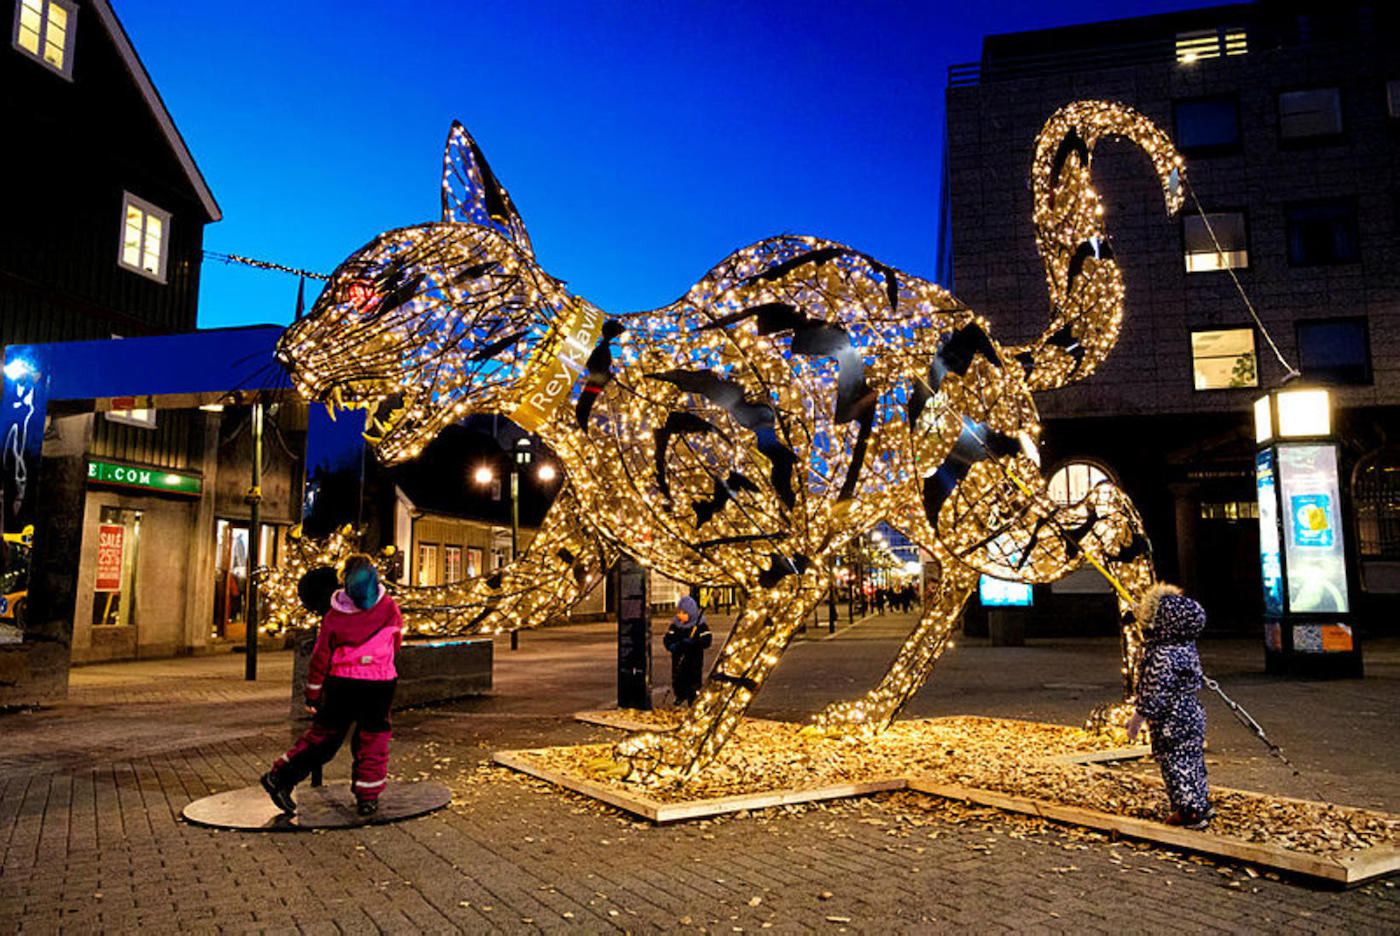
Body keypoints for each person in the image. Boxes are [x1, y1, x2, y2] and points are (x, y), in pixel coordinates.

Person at [262, 554, 403, 817]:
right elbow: (396, 643)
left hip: (343, 685)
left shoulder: (334, 615)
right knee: (373, 738)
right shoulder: (389, 608)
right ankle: (368, 797)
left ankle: (280, 777)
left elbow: (320, 658)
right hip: (380, 684)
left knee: (325, 737)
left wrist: (313, 693)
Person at [1127, 583, 1213, 829]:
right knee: (1193, 759)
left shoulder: (1160, 654)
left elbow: (1153, 692)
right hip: (1191, 711)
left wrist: (1137, 720)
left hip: (1171, 719)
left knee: (1175, 763)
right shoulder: (1184, 646)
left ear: (1161, 622)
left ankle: (1188, 812)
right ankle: (1201, 803)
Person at [662, 595, 712, 706]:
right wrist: (672, 645)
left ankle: (692, 697)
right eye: (679, 613)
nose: (680, 616)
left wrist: (695, 642)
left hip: (694, 659)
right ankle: (680, 695)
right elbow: (667, 638)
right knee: (678, 677)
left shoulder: (700, 626)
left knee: (693, 679)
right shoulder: (675, 627)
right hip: (679, 657)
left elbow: (707, 640)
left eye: (684, 613)